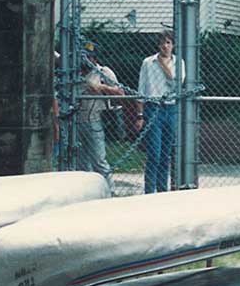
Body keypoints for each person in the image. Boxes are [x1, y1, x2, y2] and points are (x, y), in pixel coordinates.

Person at [134, 30, 184, 194]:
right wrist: (140, 115)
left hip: (170, 108)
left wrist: (164, 65)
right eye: (163, 43)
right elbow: (141, 89)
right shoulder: (148, 62)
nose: (165, 46)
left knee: (165, 153)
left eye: (168, 42)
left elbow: (176, 83)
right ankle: (149, 190)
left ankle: (163, 190)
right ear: (158, 45)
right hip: (153, 108)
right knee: (154, 152)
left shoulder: (179, 62)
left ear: (173, 45)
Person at [76, 41, 124, 190]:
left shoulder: (103, 72)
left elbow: (121, 93)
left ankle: (111, 191)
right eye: (83, 57)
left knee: (99, 161)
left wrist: (102, 88)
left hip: (93, 120)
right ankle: (86, 192)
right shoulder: (74, 72)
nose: (85, 61)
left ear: (95, 59)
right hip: (75, 122)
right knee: (81, 163)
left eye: (89, 58)